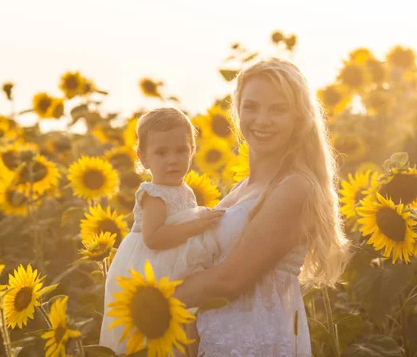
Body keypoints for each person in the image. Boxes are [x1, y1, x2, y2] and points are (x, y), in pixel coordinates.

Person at [174, 58, 351, 356]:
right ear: (237, 110)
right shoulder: (241, 189)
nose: (261, 120)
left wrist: (151, 297)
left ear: (300, 118)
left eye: (278, 109)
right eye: (251, 107)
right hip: (214, 340)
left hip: (253, 342)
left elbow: (229, 281)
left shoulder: (295, 187)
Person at [99, 107, 225, 354]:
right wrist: (197, 225)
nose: (172, 159)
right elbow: (154, 238)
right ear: (144, 159)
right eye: (161, 153)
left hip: (174, 262)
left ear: (192, 151)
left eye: (181, 150)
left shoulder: (186, 190)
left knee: (185, 322)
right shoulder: (154, 194)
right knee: (157, 325)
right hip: (151, 266)